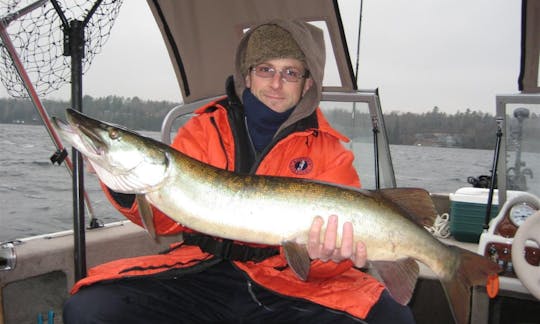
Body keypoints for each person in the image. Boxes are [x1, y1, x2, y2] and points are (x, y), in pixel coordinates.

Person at [63, 20, 415, 323]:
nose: (276, 83)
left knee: (392, 318)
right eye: (265, 69)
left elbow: (328, 268)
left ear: (308, 83)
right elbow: (167, 222)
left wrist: (325, 256)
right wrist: (128, 189)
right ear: (248, 74)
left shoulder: (331, 153)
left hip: (285, 281)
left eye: (290, 72)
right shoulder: (203, 130)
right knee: (89, 310)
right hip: (203, 271)